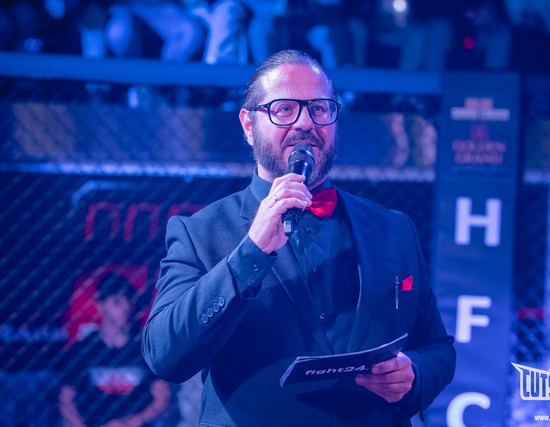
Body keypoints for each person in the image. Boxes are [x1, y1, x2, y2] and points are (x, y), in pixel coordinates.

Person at [142, 49, 456, 426]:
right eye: (285, 109)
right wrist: (250, 253)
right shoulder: (201, 232)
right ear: (248, 124)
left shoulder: (393, 228)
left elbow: (437, 347)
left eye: (320, 108)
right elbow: (165, 355)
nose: (306, 122)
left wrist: (413, 374)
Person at [59, 273, 171, 427]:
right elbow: (66, 401)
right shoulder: (84, 350)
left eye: (128, 301)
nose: (125, 308)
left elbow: (162, 401)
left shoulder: (145, 347)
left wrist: (130, 423)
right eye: (117, 302)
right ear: (101, 305)